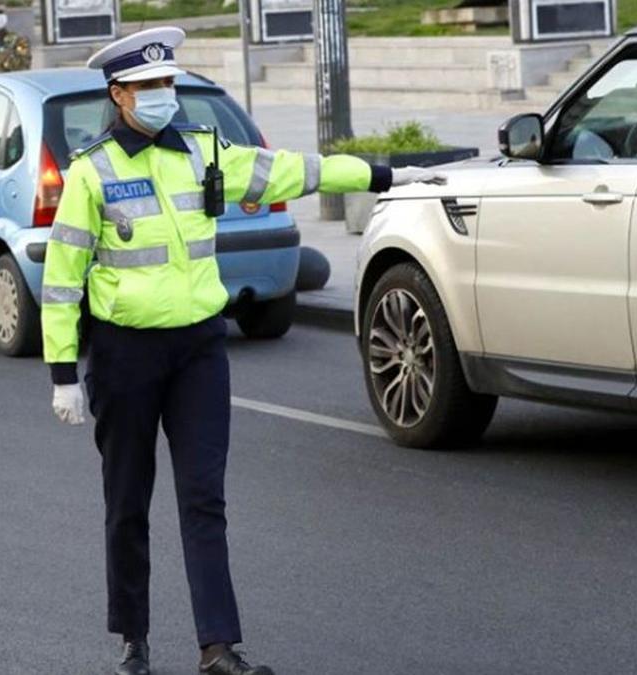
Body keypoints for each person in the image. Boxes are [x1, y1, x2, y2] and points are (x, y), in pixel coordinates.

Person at [40, 27, 446, 675]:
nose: (161, 96)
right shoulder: (92, 172)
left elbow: (293, 168)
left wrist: (385, 172)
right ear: (118, 94)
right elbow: (62, 278)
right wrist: (63, 370)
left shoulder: (203, 152)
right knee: (127, 500)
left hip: (200, 347)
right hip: (125, 355)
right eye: (147, 87)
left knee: (204, 496)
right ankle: (133, 641)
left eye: (167, 84)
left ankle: (217, 647)